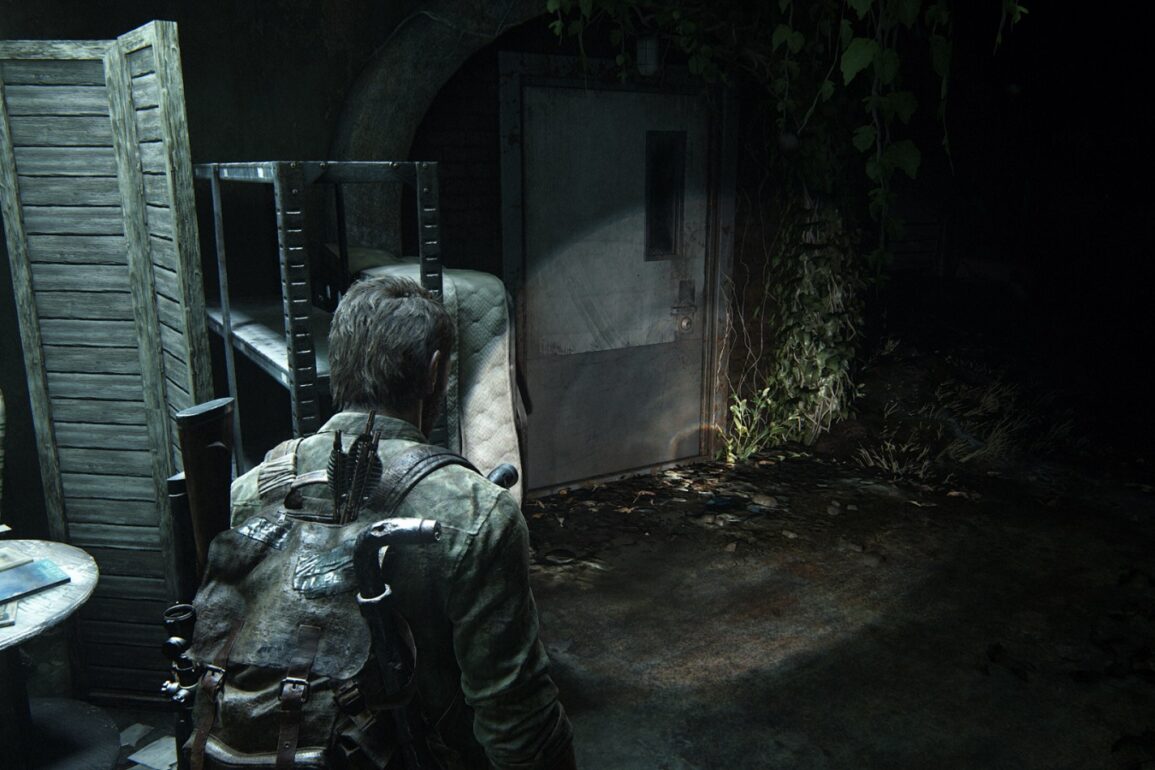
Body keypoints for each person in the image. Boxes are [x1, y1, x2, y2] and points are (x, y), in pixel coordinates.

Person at [229, 275, 576, 770]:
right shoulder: (478, 514)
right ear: (434, 372)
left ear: (339, 363)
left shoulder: (253, 489)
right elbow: (517, 723)